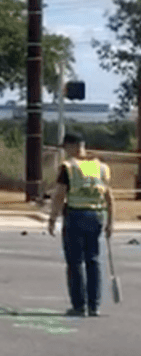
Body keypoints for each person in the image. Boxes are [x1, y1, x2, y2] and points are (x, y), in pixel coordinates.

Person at [47, 132, 115, 317]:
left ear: (70, 146)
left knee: (75, 262)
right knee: (93, 260)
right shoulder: (100, 167)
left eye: (66, 148)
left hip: (76, 215)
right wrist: (111, 222)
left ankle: (79, 306)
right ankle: (95, 305)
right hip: (96, 216)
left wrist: (52, 218)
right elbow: (109, 196)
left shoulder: (68, 167)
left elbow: (59, 194)